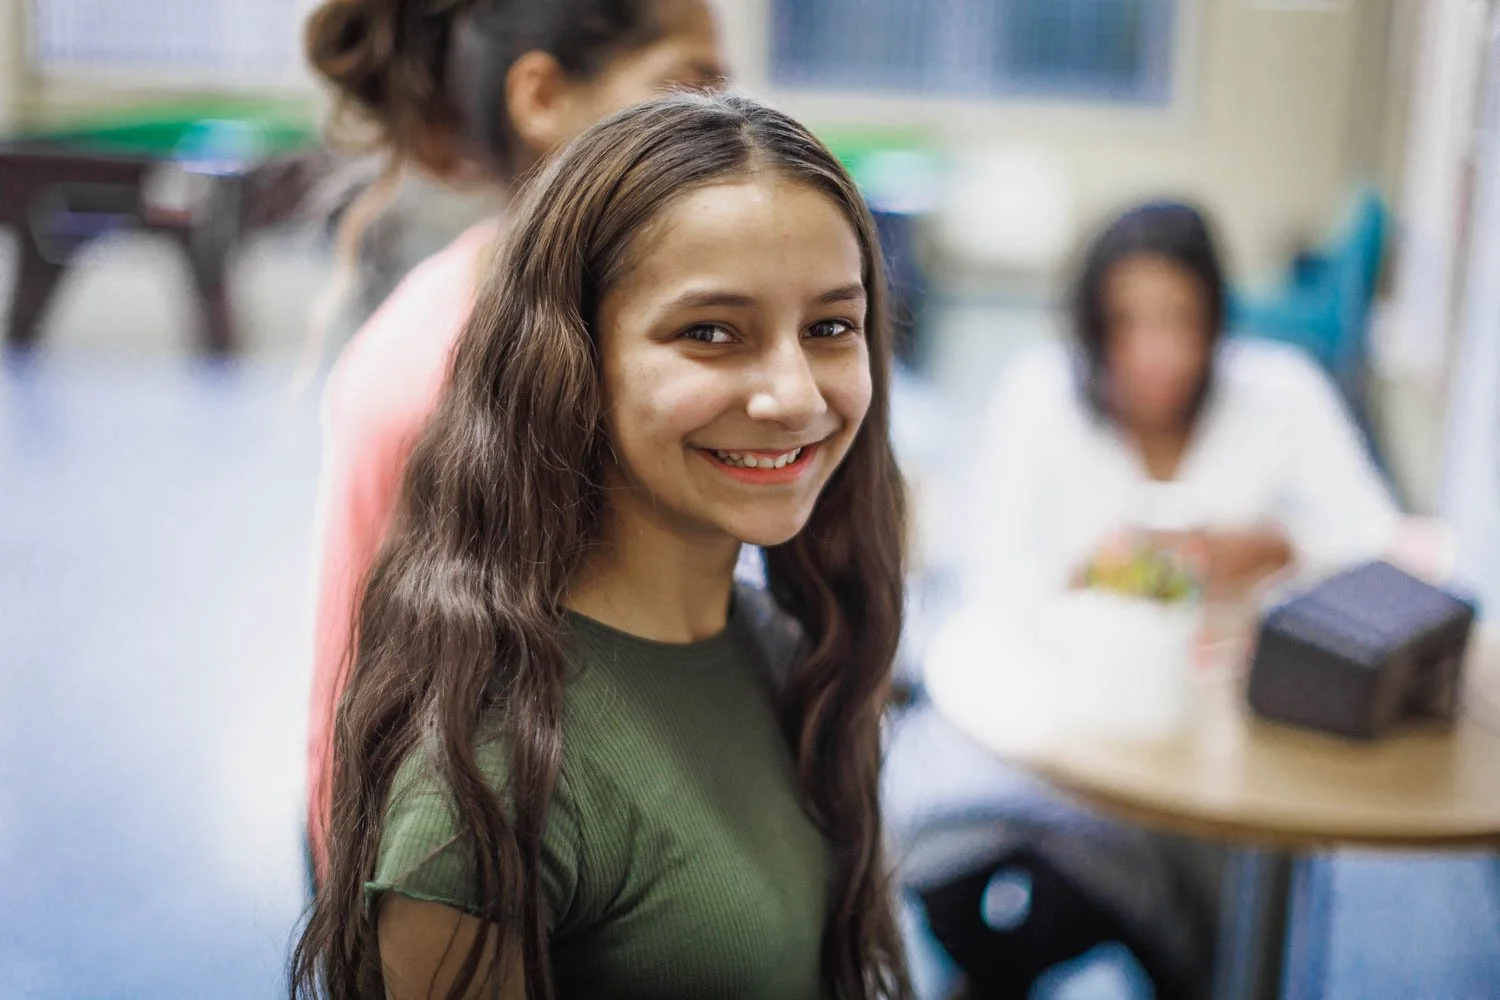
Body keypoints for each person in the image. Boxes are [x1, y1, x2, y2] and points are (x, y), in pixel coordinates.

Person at [288, 92, 913, 1000]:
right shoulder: (487, 782)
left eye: (830, 327)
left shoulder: (779, 648)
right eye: (710, 333)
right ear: (569, 359)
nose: (795, 395)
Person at [301, 0, 728, 874]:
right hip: (423, 849)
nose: (714, 133)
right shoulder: (490, 365)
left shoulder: (490, 282)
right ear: (541, 97)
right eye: (683, 87)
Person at [968, 199, 1400, 608]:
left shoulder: (1284, 392)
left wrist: (1281, 549)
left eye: (1181, 319)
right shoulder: (1039, 392)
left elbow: (1378, 543)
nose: (1156, 355)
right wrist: (1094, 575)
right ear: (1092, 330)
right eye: (1125, 322)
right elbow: (987, 575)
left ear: (1214, 321)